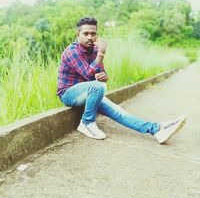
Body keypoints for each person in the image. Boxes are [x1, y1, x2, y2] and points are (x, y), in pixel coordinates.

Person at [57, 17, 186, 144]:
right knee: (98, 87)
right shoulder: (72, 51)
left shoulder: (95, 50)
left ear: (97, 35)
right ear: (78, 35)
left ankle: (157, 129)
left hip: (89, 92)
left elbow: (100, 73)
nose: (90, 37)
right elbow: (88, 73)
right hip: (69, 94)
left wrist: (104, 76)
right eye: (85, 34)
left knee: (119, 112)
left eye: (93, 33)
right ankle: (87, 122)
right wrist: (102, 52)